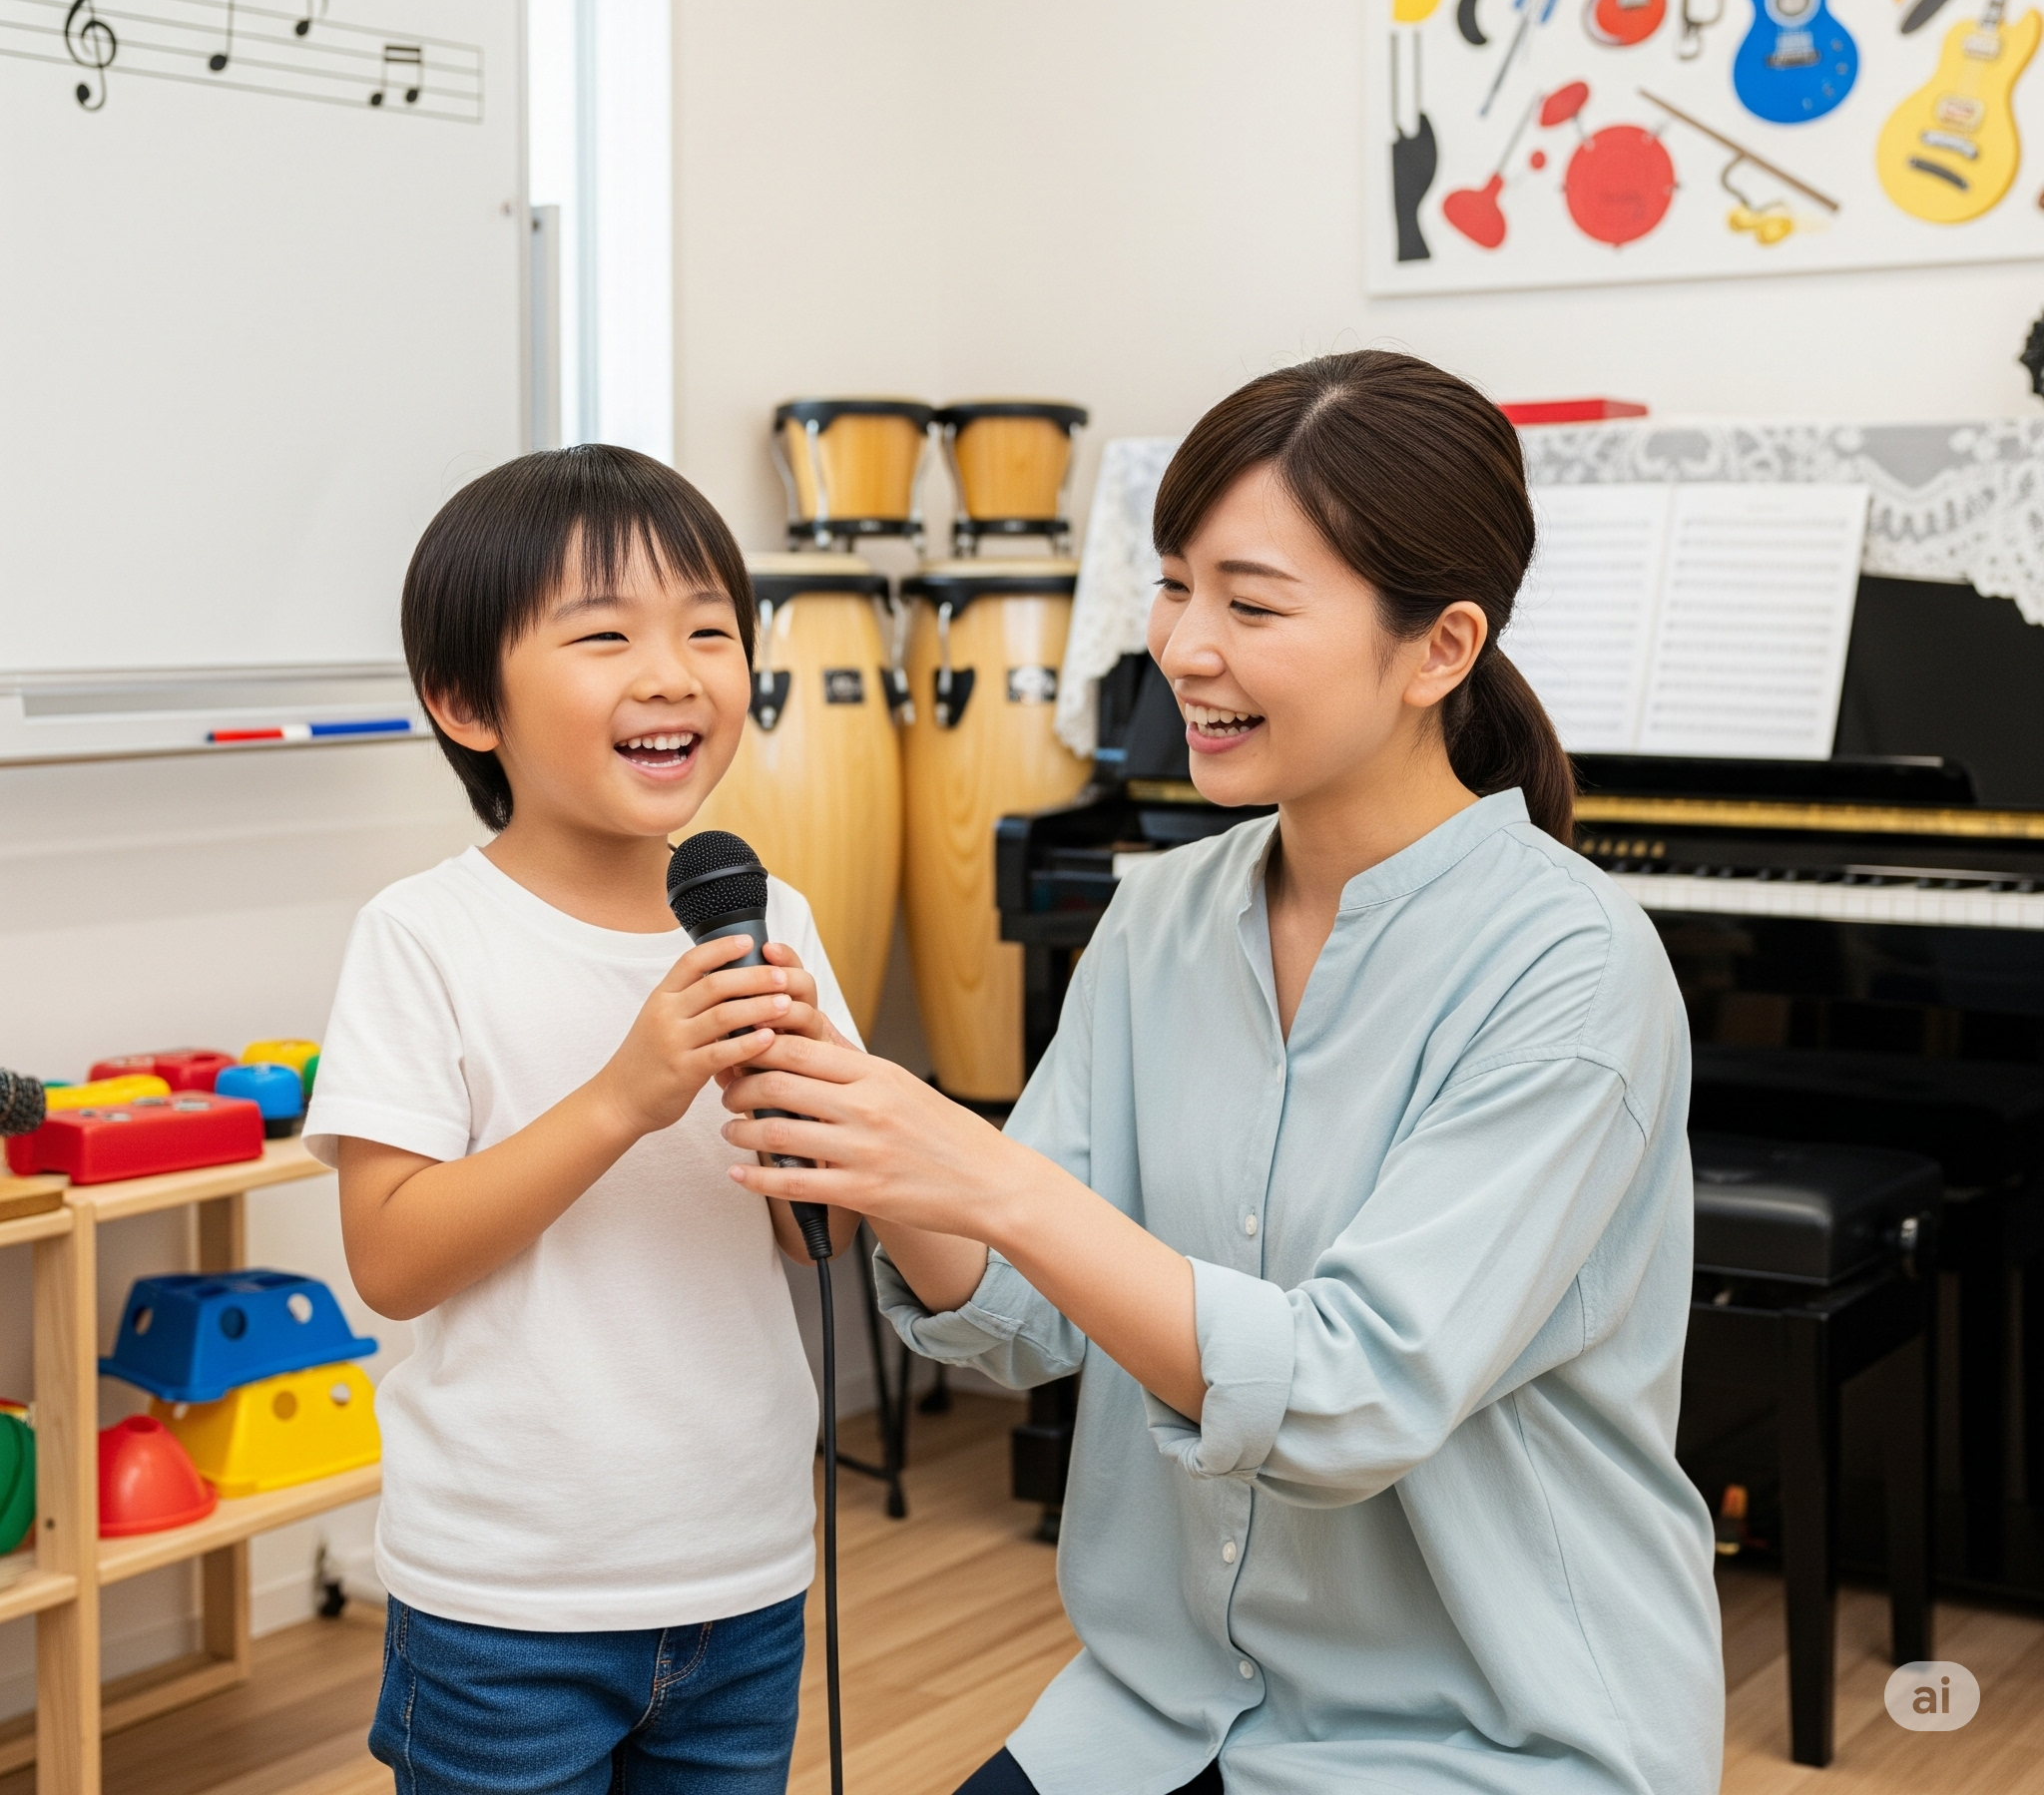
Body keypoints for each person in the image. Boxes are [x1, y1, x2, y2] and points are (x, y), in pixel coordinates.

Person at [719, 352, 1726, 1795]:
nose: (1184, 648)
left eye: (1251, 605)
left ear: (1439, 649)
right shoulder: (1161, 917)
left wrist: (985, 1172)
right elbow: (1019, 1324)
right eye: (1175, 585)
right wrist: (878, 1150)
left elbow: (1346, 1396)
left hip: (1489, 1746)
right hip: (1156, 1712)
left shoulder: (1570, 967)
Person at [306, 445, 859, 1795]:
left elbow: (817, 1240)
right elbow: (392, 1259)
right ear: (466, 703)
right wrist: (623, 1100)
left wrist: (811, 1111)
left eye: (709, 632)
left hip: (743, 1570)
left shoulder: (766, 917)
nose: (672, 674)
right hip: (507, 1600)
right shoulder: (424, 936)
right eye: (606, 636)